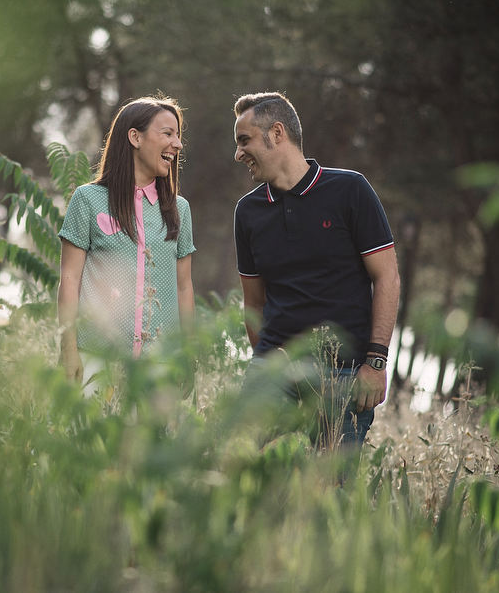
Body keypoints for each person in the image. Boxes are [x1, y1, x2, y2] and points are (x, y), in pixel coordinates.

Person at [232, 91, 400, 452]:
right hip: (275, 371)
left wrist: (375, 362)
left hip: (344, 375)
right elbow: (253, 304)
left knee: (330, 495)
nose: (238, 153)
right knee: (244, 475)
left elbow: (387, 278)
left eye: (244, 141)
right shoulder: (247, 212)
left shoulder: (350, 190)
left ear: (276, 133)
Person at [58, 96, 196, 394]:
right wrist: (68, 349)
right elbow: (69, 280)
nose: (177, 144)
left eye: (178, 135)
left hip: (160, 362)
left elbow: (184, 287)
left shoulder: (179, 209)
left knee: (152, 441)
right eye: (167, 133)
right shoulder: (87, 200)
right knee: (89, 439)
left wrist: (187, 355)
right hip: (96, 356)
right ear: (135, 136)